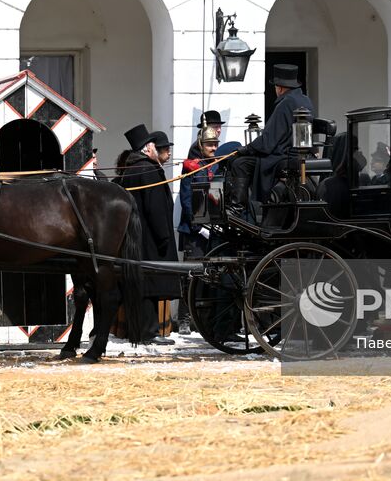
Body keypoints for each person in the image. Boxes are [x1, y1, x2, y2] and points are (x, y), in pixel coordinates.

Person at [117, 125, 179, 343]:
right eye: (153, 146)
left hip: (136, 236)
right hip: (150, 237)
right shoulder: (149, 170)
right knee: (149, 285)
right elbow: (156, 208)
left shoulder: (131, 169)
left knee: (143, 284)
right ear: (146, 149)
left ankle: (142, 331)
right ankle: (148, 332)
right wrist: (163, 236)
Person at [228, 64, 315, 215]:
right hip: (297, 153)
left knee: (240, 164)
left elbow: (268, 141)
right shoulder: (305, 100)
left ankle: (238, 207)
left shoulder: (285, 103)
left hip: (285, 156)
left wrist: (245, 149)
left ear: (280, 88)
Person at [178, 126, 220, 258]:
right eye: (210, 145)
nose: (214, 148)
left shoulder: (215, 165)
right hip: (194, 231)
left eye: (215, 144)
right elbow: (186, 200)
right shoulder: (191, 166)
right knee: (194, 271)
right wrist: (199, 228)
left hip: (212, 227)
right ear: (201, 145)